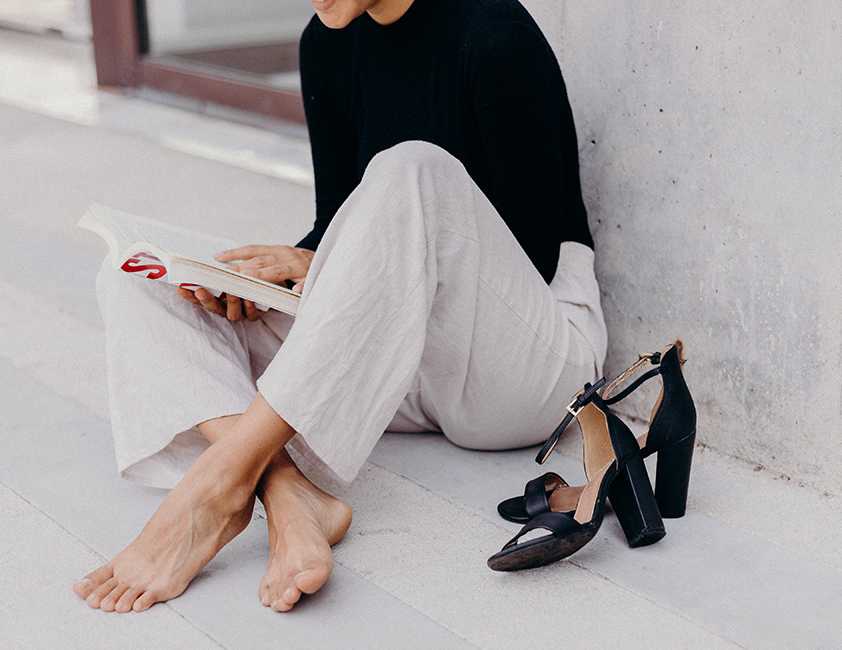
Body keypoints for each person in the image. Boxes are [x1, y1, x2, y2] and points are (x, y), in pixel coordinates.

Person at [73, 0, 606, 613]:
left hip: (527, 366)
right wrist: (270, 281)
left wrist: (319, 263)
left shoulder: (494, 40)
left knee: (412, 166)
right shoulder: (328, 41)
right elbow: (341, 225)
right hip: (398, 357)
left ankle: (220, 484)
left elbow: (528, 253)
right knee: (137, 273)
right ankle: (286, 490)